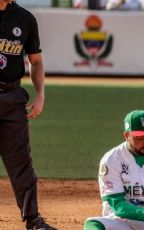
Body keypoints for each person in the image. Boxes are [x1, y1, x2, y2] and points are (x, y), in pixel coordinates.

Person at [0, 1, 56, 229]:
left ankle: (33, 220)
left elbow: (35, 61)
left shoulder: (25, 18)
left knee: (21, 161)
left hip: (13, 97)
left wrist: (40, 94)